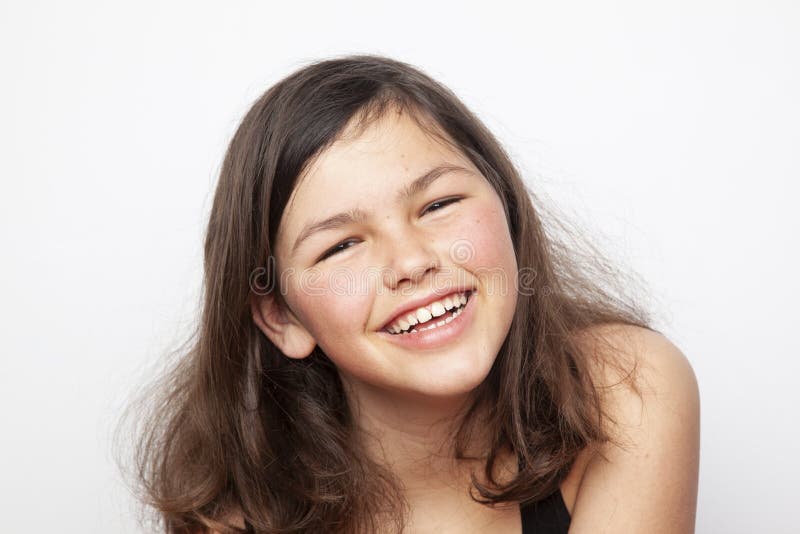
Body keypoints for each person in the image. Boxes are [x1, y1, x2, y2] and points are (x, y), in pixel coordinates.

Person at [124, 54, 700, 533]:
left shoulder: (625, 387)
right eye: (341, 245)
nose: (412, 262)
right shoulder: (233, 521)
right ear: (281, 316)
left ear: (507, 211)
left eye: (439, 205)